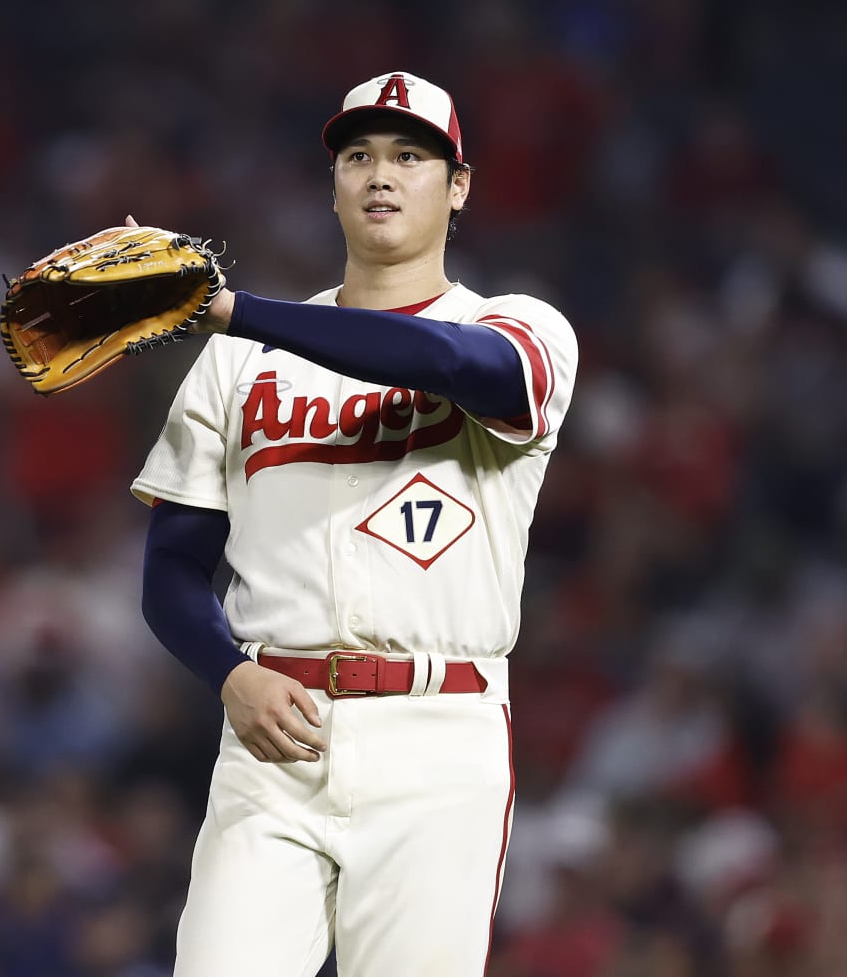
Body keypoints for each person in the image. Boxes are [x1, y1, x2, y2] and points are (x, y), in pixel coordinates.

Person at [130, 72, 579, 974]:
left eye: (411, 156)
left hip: (438, 735)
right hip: (273, 734)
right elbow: (172, 574)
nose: (381, 174)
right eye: (359, 156)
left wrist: (231, 310)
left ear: (457, 188)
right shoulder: (234, 365)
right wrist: (229, 677)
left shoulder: (517, 327)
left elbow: (444, 359)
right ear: (333, 186)